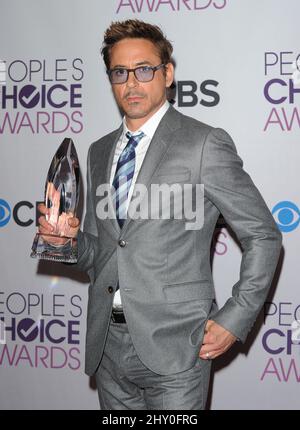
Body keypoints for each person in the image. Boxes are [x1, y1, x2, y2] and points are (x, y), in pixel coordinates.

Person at [38, 19, 282, 410]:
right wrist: (66, 241)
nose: (131, 83)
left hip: (177, 349)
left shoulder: (204, 143)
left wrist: (235, 318)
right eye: (120, 72)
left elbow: (264, 236)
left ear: (167, 74)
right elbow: (104, 254)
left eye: (144, 69)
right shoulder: (99, 151)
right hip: (107, 348)